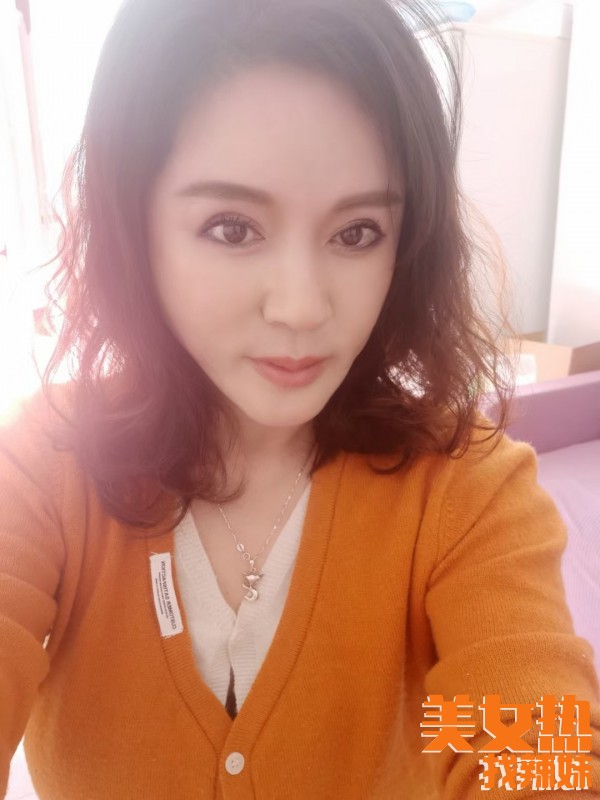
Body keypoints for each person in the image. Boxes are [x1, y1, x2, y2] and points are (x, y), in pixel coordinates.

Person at [1, 0, 598, 797]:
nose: (303, 307)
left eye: (357, 233)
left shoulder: (465, 492)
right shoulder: (46, 464)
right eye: (232, 227)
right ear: (135, 226)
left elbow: (534, 748)